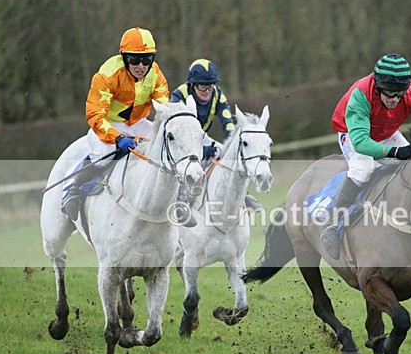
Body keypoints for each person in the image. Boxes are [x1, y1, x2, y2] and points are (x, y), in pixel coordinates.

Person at [320, 53, 411, 259]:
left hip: (386, 131)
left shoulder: (410, 93)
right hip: (353, 133)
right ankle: (333, 222)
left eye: (399, 94)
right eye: (389, 94)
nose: (394, 99)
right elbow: (361, 142)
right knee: (363, 169)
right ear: (377, 86)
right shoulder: (361, 94)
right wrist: (394, 152)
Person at [61, 27, 171, 222]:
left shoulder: (156, 74)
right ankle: (73, 189)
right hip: (108, 123)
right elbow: (95, 114)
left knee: (164, 147)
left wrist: (162, 128)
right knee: (104, 156)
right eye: (134, 59)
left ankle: (178, 197)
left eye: (146, 59)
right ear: (124, 57)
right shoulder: (107, 75)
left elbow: (163, 108)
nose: (141, 65)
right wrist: (118, 137)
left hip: (138, 123)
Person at [170, 58, 263, 212]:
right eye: (202, 87)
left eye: (210, 86)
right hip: (181, 142)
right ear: (192, 84)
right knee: (187, 164)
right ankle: (181, 200)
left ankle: (243, 195)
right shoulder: (179, 95)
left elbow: (228, 124)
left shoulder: (218, 94)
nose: (207, 91)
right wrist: (200, 151)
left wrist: (232, 146)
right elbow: (178, 131)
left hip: (202, 136)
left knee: (226, 153)